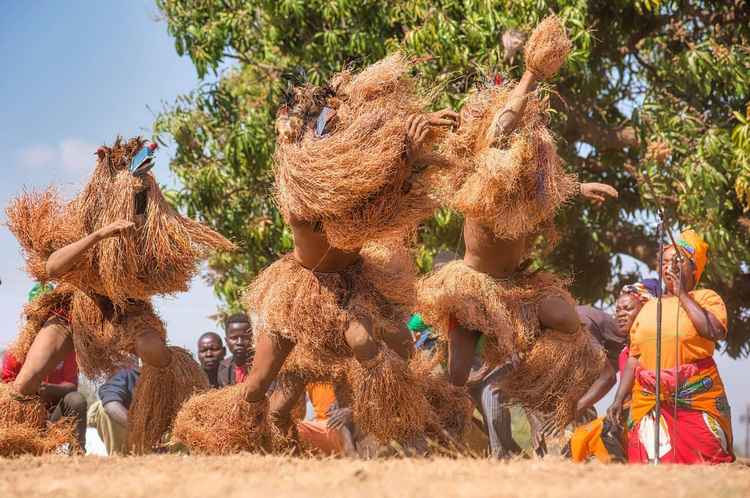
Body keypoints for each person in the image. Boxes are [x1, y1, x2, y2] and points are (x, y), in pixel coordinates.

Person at [172, 54, 470, 454]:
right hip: (301, 291)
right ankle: (231, 438)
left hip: (353, 284)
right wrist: (405, 157)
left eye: (330, 125)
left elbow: (372, 171)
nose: (329, 133)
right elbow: (354, 202)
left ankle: (407, 430)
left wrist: (421, 134)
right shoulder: (301, 188)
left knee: (367, 343)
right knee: (259, 384)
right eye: (322, 127)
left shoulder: (348, 167)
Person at [418, 16, 615, 431]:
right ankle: (445, 435)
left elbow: (553, 186)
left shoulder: (534, 181)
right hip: (475, 286)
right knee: (456, 377)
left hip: (520, 288)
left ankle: (528, 385)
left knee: (566, 319)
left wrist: (582, 188)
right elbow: (499, 130)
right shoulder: (484, 168)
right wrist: (531, 74)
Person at [1, 138, 232, 455]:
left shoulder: (148, 229)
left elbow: (163, 273)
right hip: (74, 307)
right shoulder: (83, 225)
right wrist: (99, 235)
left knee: (159, 357)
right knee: (26, 381)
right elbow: (53, 267)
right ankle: (14, 440)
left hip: (127, 311)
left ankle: (179, 427)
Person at [607, 229, 734, 464]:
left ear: (694, 268)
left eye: (677, 261)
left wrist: (682, 295)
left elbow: (714, 331)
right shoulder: (647, 307)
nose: (669, 267)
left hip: (695, 399)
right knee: (651, 470)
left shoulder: (706, 298)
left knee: (705, 464)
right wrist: (618, 399)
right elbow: (634, 358)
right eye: (665, 262)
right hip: (650, 402)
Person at [565, 284, 653, 463]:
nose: (620, 314)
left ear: (645, 311)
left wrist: (577, 407)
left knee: (603, 435)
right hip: (630, 411)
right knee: (578, 441)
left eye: (628, 309)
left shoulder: (652, 346)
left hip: (649, 412)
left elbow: (609, 378)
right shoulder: (625, 352)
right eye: (618, 309)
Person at [2, 346, 86, 452]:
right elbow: (4, 386)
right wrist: (27, 387)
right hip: (22, 424)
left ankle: (77, 452)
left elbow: (72, 386)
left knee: (76, 399)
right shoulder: (16, 352)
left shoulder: (66, 351)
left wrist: (49, 388)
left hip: (53, 419)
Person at [87, 367, 140, 455]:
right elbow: (111, 403)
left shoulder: (169, 375)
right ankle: (119, 457)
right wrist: (137, 427)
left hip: (164, 442)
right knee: (101, 407)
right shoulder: (128, 375)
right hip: (133, 437)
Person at [296, 382, 356, 456]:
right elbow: (298, 413)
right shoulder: (307, 376)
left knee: (342, 424)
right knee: (297, 429)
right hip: (321, 428)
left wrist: (351, 411)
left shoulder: (348, 373)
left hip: (345, 426)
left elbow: (367, 405)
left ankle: (352, 457)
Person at [217, 314, 253, 387]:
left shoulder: (262, 364)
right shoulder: (223, 367)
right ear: (226, 341)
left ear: (252, 339)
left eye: (245, 337)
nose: (239, 342)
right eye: (234, 338)